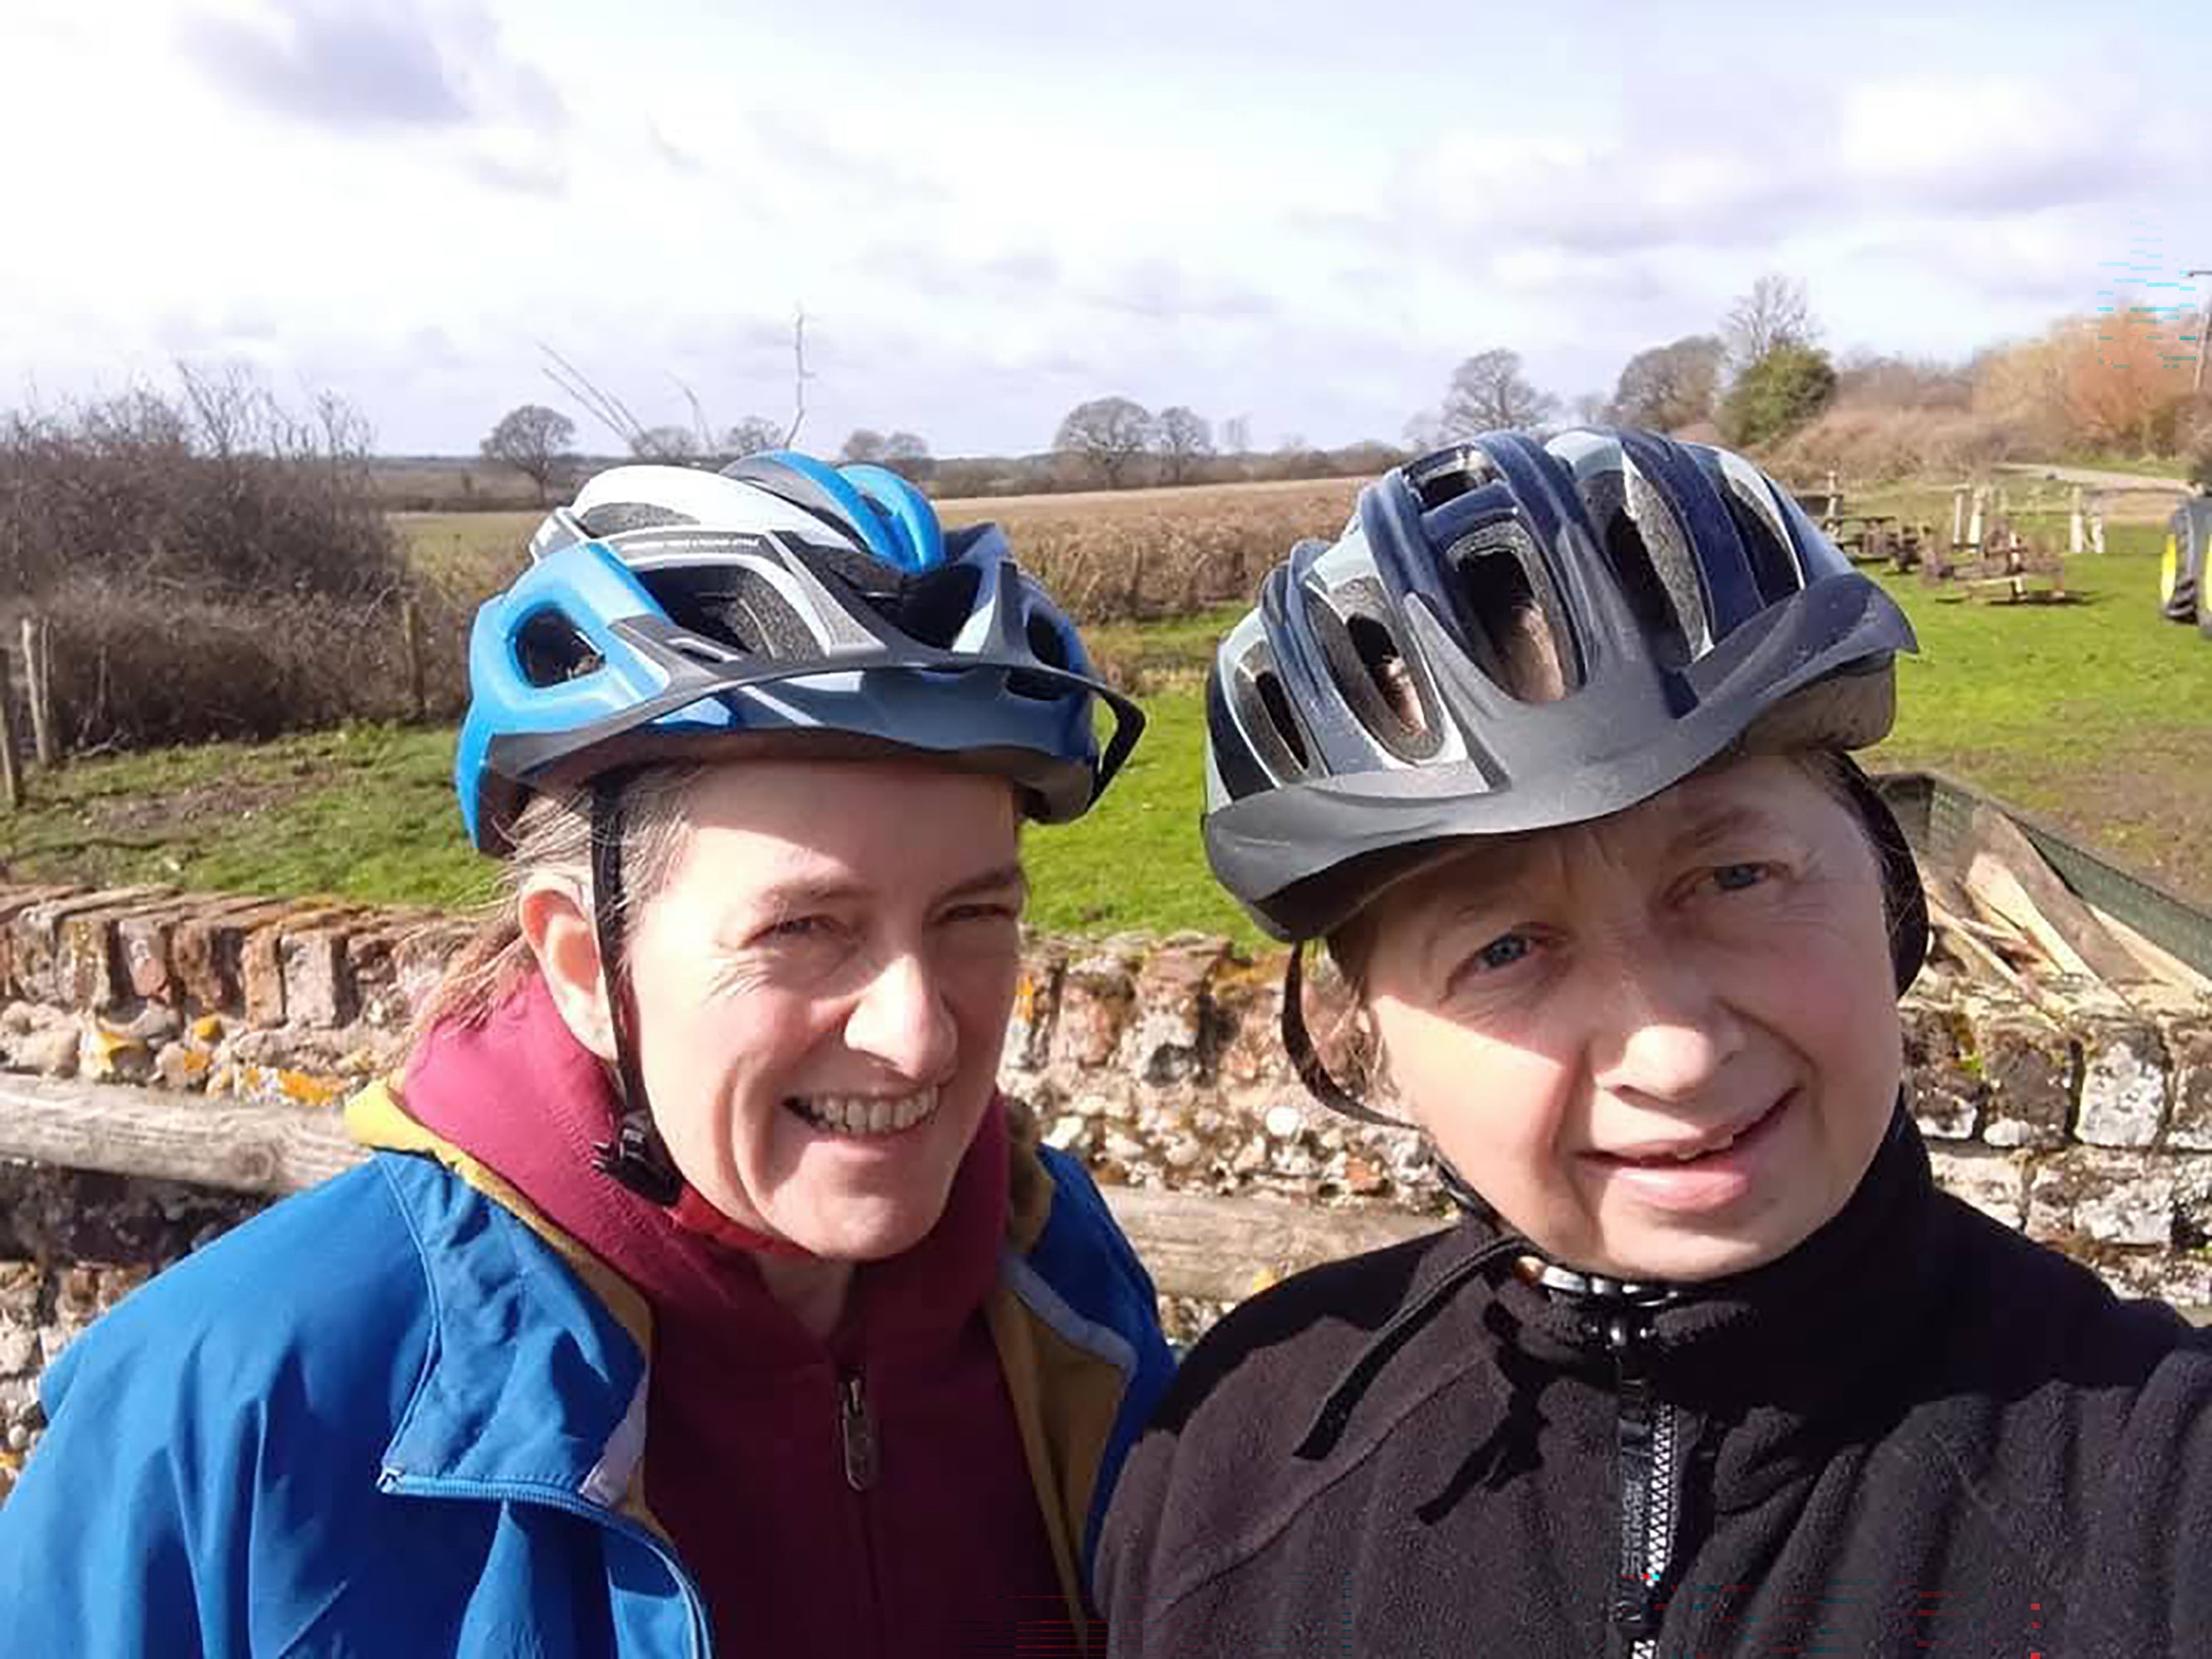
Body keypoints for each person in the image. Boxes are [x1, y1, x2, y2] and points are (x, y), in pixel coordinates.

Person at [1, 453, 1174, 1657]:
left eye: (973, 916)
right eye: (804, 929)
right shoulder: (236, 1403)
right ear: (579, 964)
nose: (919, 1030)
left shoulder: (1062, 1282)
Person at [1097, 429, 2212, 1657]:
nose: (1673, 1052)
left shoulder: (2152, 1487)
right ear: (1369, 1046)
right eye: (1506, 950)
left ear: (1891, 888)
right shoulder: (1227, 1470)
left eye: (1736, 876)